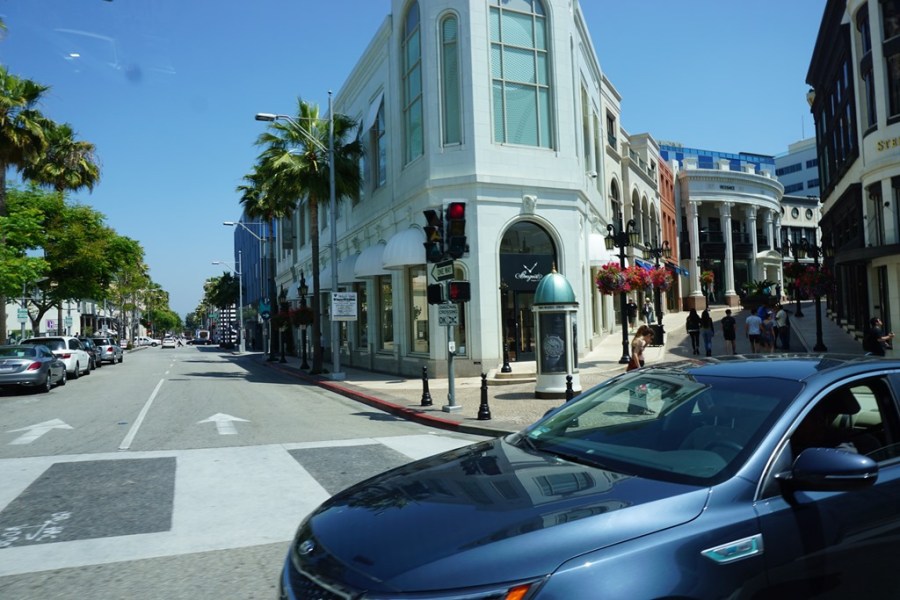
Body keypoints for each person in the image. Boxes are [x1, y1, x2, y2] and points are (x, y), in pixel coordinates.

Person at [626, 325, 655, 415]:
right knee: (641, 388)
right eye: (651, 338)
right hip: (636, 366)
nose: (651, 340)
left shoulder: (640, 340)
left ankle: (637, 408)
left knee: (636, 388)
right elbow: (635, 354)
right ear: (648, 335)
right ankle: (642, 409)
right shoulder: (639, 341)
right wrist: (639, 367)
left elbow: (639, 352)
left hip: (635, 365)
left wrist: (646, 344)